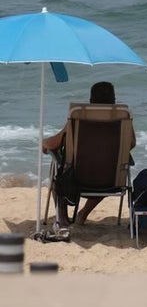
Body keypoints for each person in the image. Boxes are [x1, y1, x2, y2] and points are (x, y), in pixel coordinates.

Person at [41, 81, 137, 229]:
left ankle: (63, 218)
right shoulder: (123, 116)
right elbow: (131, 144)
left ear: (91, 100)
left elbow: (55, 143)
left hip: (76, 179)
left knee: (57, 175)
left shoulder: (79, 115)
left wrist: (44, 143)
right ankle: (83, 214)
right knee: (107, 169)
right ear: (114, 100)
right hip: (111, 181)